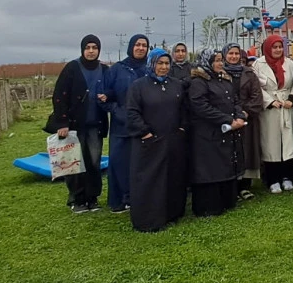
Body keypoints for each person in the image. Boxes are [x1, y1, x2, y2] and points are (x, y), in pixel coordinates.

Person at [124, 48, 188, 232]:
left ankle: (172, 214)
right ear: (152, 64)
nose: (163, 67)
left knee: (172, 178)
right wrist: (145, 132)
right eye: (160, 63)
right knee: (150, 180)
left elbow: (184, 109)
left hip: (173, 141)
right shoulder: (139, 86)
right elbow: (132, 112)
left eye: (167, 63)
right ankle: (149, 219)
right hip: (149, 142)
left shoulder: (176, 85)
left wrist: (182, 128)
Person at [45, 35, 109, 213]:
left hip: (95, 125)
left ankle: (93, 197)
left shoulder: (104, 69)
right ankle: (77, 198)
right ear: (82, 49)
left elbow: (110, 91)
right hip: (74, 126)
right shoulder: (72, 68)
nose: (91, 51)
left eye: (94, 47)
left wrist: (108, 97)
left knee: (94, 163)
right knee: (73, 163)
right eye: (88, 47)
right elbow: (60, 96)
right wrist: (62, 122)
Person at [187, 49, 245, 217]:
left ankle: (226, 201)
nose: (221, 63)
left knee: (224, 167)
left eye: (221, 60)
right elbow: (200, 106)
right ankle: (208, 207)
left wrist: (239, 115)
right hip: (207, 134)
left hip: (225, 133)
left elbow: (235, 100)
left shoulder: (224, 79)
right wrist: (227, 119)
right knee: (209, 170)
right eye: (217, 60)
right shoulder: (199, 81)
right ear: (208, 61)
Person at [103, 34, 150, 213]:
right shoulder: (117, 70)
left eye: (144, 45)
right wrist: (118, 111)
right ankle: (120, 200)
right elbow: (104, 97)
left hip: (145, 125)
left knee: (141, 164)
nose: (140, 48)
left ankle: (139, 198)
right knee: (119, 163)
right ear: (131, 47)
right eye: (137, 45)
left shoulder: (149, 69)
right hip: (121, 126)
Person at [253, 35, 293, 194]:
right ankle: (273, 179)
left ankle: (287, 177)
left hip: (286, 105)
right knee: (271, 144)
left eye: (280, 47)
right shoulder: (258, 64)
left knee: (288, 143)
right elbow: (257, 87)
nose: (278, 50)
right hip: (270, 108)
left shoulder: (289, 63)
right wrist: (270, 101)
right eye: (274, 47)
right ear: (268, 48)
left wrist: (292, 98)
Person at [224, 42, 264, 201]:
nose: (234, 57)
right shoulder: (219, 73)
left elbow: (257, 96)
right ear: (225, 55)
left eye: (236, 54)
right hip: (227, 120)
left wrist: (243, 113)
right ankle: (231, 186)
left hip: (247, 119)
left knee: (247, 151)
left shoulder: (249, 73)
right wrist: (230, 116)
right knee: (229, 153)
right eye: (230, 54)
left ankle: (245, 186)